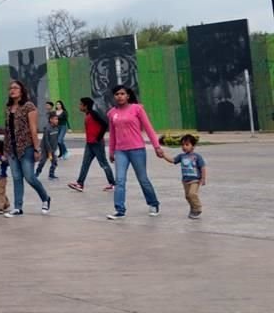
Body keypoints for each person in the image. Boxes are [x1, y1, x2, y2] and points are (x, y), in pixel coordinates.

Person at [106, 85, 165, 220]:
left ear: (128, 96)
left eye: (122, 94)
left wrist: (157, 146)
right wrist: (111, 151)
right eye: (117, 94)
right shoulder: (111, 113)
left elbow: (149, 128)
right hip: (120, 151)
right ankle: (119, 210)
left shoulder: (137, 109)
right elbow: (113, 134)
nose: (119, 96)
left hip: (137, 149)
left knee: (142, 179)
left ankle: (153, 203)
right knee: (119, 180)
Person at [3, 80, 51, 217]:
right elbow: (7, 129)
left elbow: (33, 129)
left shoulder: (29, 106)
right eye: (10, 88)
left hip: (26, 147)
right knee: (16, 177)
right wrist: (4, 149)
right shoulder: (8, 108)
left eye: (15, 88)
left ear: (22, 90)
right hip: (11, 148)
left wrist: (37, 149)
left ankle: (45, 198)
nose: (12, 90)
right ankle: (18, 207)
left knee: (29, 177)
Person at [67, 97, 115, 192]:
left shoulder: (93, 114)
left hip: (97, 144)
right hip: (89, 144)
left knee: (103, 164)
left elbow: (105, 124)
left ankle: (113, 183)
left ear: (86, 106)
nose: (79, 106)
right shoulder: (88, 114)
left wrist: (98, 138)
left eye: (81, 104)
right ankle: (80, 184)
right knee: (85, 164)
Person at [162, 134, 206, 219]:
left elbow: (202, 167)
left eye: (187, 145)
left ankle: (198, 208)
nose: (184, 147)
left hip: (195, 180)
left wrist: (203, 178)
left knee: (192, 194)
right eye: (182, 145)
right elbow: (172, 160)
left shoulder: (197, 156)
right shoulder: (181, 156)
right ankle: (193, 209)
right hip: (185, 181)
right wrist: (163, 155)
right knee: (187, 196)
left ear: (193, 146)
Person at [35, 113, 59, 179]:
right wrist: (49, 151)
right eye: (55, 119)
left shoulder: (56, 128)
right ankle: (37, 173)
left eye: (57, 119)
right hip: (45, 149)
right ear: (51, 120)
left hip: (53, 149)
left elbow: (56, 139)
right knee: (42, 162)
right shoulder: (47, 128)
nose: (57, 121)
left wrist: (55, 148)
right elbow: (46, 140)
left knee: (54, 162)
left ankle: (51, 174)